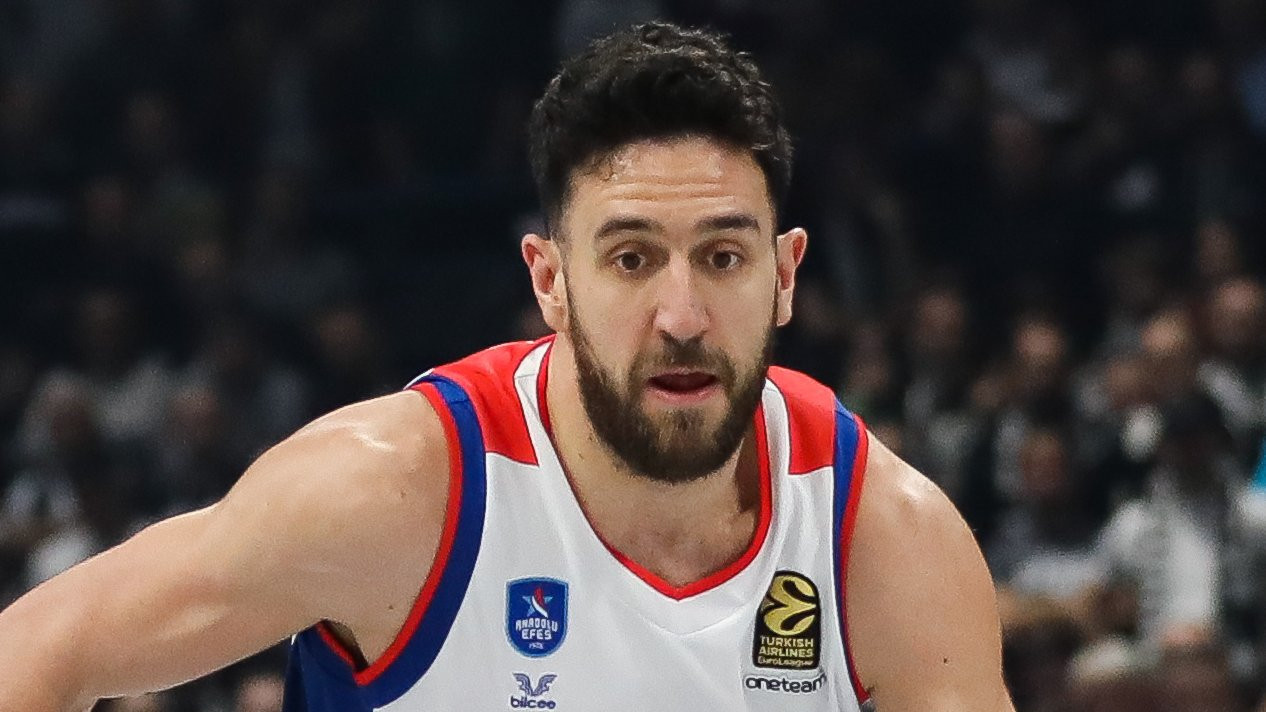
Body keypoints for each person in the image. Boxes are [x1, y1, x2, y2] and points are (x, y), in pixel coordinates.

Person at [0, 22, 1014, 711]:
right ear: (551, 280)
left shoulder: (883, 539)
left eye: (722, 256)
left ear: (784, 275)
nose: (682, 316)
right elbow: (36, 655)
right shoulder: (397, 494)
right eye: (631, 259)